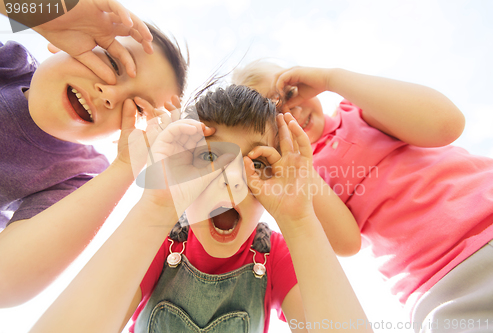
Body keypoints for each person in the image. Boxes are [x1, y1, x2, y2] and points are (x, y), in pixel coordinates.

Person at [28, 84, 372, 333]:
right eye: (210, 158)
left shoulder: (277, 258)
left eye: (259, 164)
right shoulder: (159, 244)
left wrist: (300, 220)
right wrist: (156, 208)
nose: (231, 182)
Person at [233, 61, 493, 332]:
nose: (292, 111)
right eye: (275, 116)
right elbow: (346, 241)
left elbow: (447, 124)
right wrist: (293, 160)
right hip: (436, 282)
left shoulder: (357, 114)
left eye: (290, 95)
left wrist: (331, 78)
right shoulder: (305, 173)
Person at [0, 0, 188, 306]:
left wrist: (126, 167)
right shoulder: (9, 63)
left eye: (138, 108)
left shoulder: (74, 176)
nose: (111, 95)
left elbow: (5, 282)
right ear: (57, 43)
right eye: (113, 63)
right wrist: (43, 12)